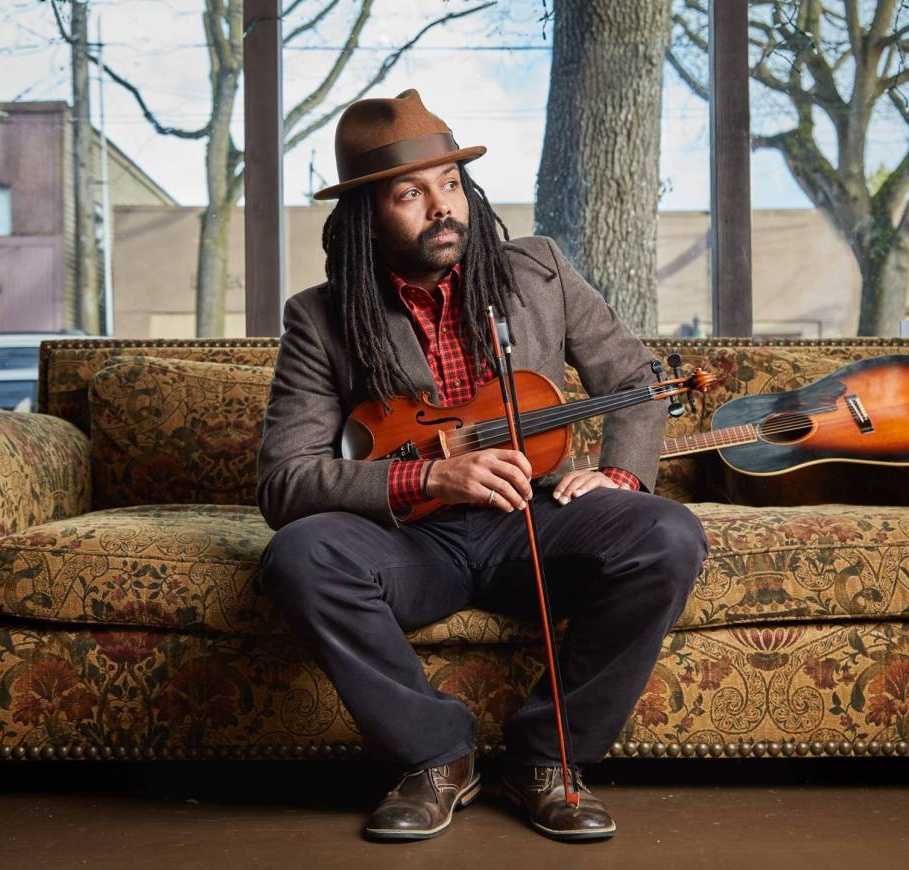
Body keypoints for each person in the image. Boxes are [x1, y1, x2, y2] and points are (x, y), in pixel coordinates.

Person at [256, 88, 708, 842]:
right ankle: (436, 757)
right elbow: (286, 480)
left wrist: (621, 476)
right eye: (410, 194)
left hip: (534, 522)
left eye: (450, 184)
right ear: (367, 215)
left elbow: (637, 381)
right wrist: (428, 476)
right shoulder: (321, 316)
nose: (442, 207)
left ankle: (549, 758)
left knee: (668, 534)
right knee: (299, 556)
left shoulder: (540, 271)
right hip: (411, 542)